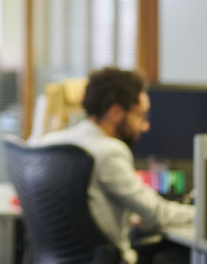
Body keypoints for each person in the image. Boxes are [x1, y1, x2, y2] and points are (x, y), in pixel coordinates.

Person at [28, 66, 194, 264]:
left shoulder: (49, 142)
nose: (145, 126)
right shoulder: (110, 151)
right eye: (141, 116)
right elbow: (157, 215)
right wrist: (202, 214)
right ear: (115, 112)